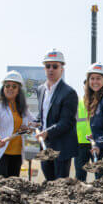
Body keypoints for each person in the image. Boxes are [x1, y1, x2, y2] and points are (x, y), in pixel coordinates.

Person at [34, 49, 78, 181]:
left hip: (62, 147)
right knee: (48, 183)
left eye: (55, 66)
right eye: (48, 66)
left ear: (62, 69)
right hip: (45, 145)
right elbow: (44, 116)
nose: (51, 69)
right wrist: (35, 122)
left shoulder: (69, 93)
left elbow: (67, 122)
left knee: (60, 186)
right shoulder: (41, 90)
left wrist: (47, 132)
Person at [0, 71, 34, 178]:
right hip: (0, 152)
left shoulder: (22, 108)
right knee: (1, 183)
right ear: (3, 88)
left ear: (18, 90)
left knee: (13, 184)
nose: (10, 88)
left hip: (16, 154)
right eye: (7, 86)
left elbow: (34, 122)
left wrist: (29, 127)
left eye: (14, 86)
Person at [74, 98, 92, 181]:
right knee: (80, 175)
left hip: (96, 142)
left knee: (100, 173)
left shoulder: (101, 102)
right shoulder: (77, 103)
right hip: (80, 142)